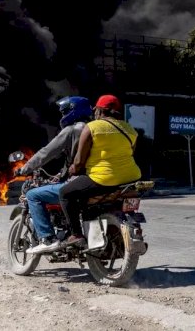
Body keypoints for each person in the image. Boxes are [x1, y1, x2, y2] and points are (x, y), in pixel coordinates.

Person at [59, 94, 142, 247]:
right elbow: (129, 153)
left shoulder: (92, 127)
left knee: (65, 193)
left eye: (96, 110)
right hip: (132, 177)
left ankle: (75, 235)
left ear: (100, 110)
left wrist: (72, 170)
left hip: (104, 179)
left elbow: (78, 162)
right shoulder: (130, 129)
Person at [15, 96, 93, 255]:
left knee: (33, 195)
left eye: (65, 111)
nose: (62, 115)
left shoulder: (72, 130)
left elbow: (46, 153)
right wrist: (59, 175)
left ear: (73, 111)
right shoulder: (95, 128)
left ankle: (47, 239)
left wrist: (25, 168)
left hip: (78, 182)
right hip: (97, 180)